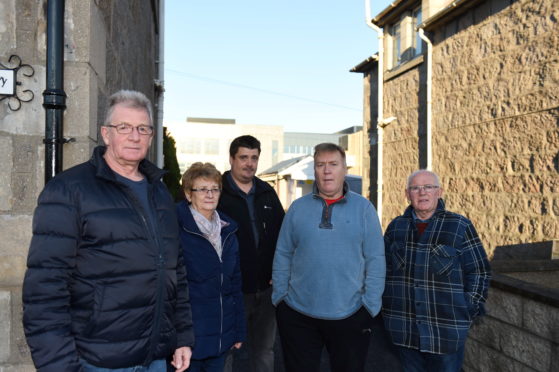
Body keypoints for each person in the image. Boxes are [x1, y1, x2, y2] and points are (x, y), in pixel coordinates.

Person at [22, 90, 194, 372]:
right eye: (123, 127)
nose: (134, 136)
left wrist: (182, 337)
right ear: (105, 134)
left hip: (156, 359)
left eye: (142, 128)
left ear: (152, 136)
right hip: (97, 361)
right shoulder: (69, 190)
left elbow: (178, 272)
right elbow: (45, 290)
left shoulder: (160, 193)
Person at [272, 142, 385, 372]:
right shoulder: (297, 208)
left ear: (344, 169)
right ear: (314, 170)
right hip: (298, 314)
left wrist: (369, 307)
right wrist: (280, 298)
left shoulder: (364, 209)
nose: (326, 170)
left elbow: (376, 259)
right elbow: (283, 253)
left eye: (333, 164)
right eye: (320, 165)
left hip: (350, 314)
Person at [382, 169, 491, 372]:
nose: (422, 193)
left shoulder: (459, 225)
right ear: (407, 194)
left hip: (446, 333)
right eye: (415, 188)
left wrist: (468, 309)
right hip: (404, 331)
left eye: (428, 187)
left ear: (439, 192)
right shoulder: (396, 227)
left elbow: (479, 271)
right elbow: (383, 271)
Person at [218, 135, 284, 372]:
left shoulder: (267, 192)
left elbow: (282, 237)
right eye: (243, 157)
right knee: (226, 349)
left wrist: (279, 272)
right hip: (232, 289)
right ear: (231, 159)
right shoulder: (217, 193)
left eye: (254, 158)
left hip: (266, 289)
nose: (249, 163)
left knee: (264, 350)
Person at [176, 163, 246, 371]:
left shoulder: (228, 230)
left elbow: (235, 284)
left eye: (214, 189)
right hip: (188, 341)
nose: (209, 194)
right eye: (202, 189)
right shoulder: (176, 228)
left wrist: (239, 330)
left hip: (220, 339)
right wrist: (178, 338)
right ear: (189, 194)